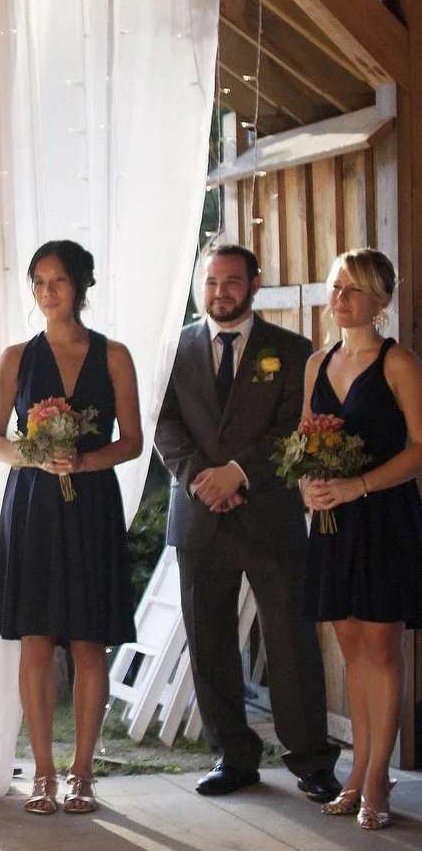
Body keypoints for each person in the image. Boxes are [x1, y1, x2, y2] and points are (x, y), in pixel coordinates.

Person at [154, 244, 339, 804]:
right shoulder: (174, 348)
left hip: (270, 517)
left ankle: (310, 761)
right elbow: (163, 424)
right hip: (199, 516)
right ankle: (233, 757)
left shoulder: (292, 350)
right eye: (210, 282)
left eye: (232, 282)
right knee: (208, 643)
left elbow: (295, 426)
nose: (220, 292)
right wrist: (201, 479)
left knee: (291, 642)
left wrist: (237, 473)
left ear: (254, 284)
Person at [0, 239, 140, 816]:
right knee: (37, 640)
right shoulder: (16, 358)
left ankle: (83, 773)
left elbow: (133, 440)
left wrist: (84, 461)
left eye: (59, 282)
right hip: (32, 508)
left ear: (81, 286)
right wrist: (33, 456)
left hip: (92, 503)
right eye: (39, 283)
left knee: (88, 641)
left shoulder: (114, 355)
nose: (48, 293)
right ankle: (43, 772)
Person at [299, 248, 422, 832]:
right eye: (335, 286)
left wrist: (360, 486)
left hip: (385, 519)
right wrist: (310, 486)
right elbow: (304, 440)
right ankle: (357, 769)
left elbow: (421, 449)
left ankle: (378, 777)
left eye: (352, 289)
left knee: (381, 648)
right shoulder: (316, 363)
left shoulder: (400, 364)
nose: (339, 298)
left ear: (382, 300)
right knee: (350, 649)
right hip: (332, 523)